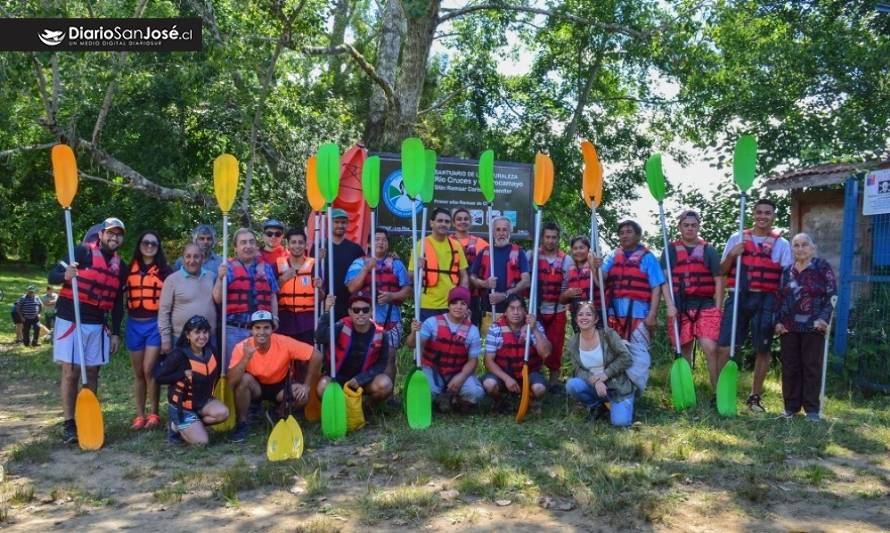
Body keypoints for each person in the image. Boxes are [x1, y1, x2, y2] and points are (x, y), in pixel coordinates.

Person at [48, 217, 128, 444]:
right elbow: (51, 276)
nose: (114, 237)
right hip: (71, 319)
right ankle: (68, 424)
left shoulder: (120, 266)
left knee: (92, 372)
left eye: (119, 234)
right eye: (110, 232)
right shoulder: (80, 253)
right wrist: (65, 275)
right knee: (71, 372)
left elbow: (117, 303)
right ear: (101, 234)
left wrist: (115, 332)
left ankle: (87, 418)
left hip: (97, 324)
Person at [717, 198, 792, 412]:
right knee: (726, 345)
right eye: (759, 212)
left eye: (767, 213)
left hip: (766, 299)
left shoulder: (782, 244)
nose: (763, 216)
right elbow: (721, 271)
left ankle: (754, 397)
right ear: (753, 214)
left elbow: (786, 279)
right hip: (739, 296)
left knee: (763, 348)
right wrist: (732, 254)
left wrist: (782, 311)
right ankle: (722, 393)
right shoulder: (737, 238)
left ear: (773, 217)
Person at [594, 220, 674, 394]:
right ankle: (616, 389)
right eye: (622, 232)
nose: (625, 235)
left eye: (629, 232)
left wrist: (652, 314)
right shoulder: (613, 256)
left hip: (639, 315)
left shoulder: (648, 257)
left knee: (639, 355)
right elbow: (602, 279)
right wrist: (596, 266)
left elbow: (657, 286)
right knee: (614, 353)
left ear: (638, 235)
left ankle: (636, 390)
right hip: (615, 314)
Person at [227, 310, 322, 443]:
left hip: (280, 386)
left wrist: (306, 385)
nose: (262, 332)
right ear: (251, 330)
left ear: (272, 329)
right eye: (257, 328)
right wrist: (245, 358)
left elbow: (317, 355)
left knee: (302, 395)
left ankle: (278, 413)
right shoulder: (242, 347)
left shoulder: (284, 342)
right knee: (243, 380)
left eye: (266, 327)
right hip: (256, 387)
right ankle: (242, 423)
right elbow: (231, 382)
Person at [660, 210, 724, 395]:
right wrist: (669, 305)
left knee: (711, 348)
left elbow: (719, 280)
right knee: (684, 349)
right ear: (679, 227)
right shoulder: (670, 249)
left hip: (704, 304)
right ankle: (686, 393)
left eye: (693, 225)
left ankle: (716, 393)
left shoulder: (708, 250)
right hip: (680, 304)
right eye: (686, 225)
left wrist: (718, 309)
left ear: (698, 227)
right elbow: (663, 280)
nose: (690, 228)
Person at [775, 234, 837, 421]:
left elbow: (832, 295)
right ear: (792, 249)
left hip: (814, 325)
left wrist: (824, 319)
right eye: (796, 245)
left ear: (812, 248)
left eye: (804, 245)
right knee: (790, 367)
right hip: (789, 325)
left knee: (811, 366)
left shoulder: (821, 267)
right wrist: (778, 322)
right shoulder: (786, 271)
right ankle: (791, 408)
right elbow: (778, 298)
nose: (800, 248)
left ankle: (812, 410)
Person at [345, 227, 411, 381]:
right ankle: (363, 391)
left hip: (390, 319)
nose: (380, 242)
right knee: (364, 356)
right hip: (364, 319)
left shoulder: (396, 264)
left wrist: (391, 296)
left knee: (390, 356)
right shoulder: (358, 263)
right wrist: (367, 268)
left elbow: (407, 290)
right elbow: (351, 288)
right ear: (369, 244)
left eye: (384, 239)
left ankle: (387, 396)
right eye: (377, 239)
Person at [154, 315, 229, 445]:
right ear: (188, 335)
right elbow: (158, 378)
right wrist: (181, 374)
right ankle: (175, 426)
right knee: (202, 442)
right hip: (182, 407)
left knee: (223, 413)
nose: (202, 336)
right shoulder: (179, 354)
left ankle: (190, 424)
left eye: (205, 332)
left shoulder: (212, 352)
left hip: (203, 402)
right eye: (197, 332)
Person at [407, 287, 485, 412]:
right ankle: (434, 400)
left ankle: (456, 401)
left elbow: (472, 360)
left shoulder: (473, 330)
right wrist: (413, 333)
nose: (458, 307)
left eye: (463, 303)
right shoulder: (431, 323)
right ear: (448, 305)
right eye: (454, 303)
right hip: (432, 369)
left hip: (457, 371)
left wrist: (462, 376)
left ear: (467, 308)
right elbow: (411, 344)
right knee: (428, 392)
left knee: (475, 393)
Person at [125, 230, 172, 430]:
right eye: (146, 242)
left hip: (154, 324)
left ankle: (154, 413)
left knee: (149, 369)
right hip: (134, 324)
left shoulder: (165, 271)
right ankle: (139, 414)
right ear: (140, 244)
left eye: (154, 243)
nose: (150, 246)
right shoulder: (129, 269)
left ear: (158, 247)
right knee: (138, 373)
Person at [212, 228, 279, 364]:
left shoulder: (266, 268)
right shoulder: (227, 268)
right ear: (236, 248)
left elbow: (272, 296)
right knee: (234, 371)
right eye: (243, 243)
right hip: (234, 330)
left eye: (251, 242)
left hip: (261, 331)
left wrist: (275, 318)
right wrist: (220, 278)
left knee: (261, 370)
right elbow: (217, 299)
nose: (248, 246)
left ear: (255, 245)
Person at [565, 302, 636, 426]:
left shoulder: (608, 335)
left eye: (588, 314)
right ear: (576, 320)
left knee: (620, 423)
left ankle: (622, 404)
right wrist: (597, 381)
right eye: (580, 315)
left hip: (617, 387)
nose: (584, 317)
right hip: (595, 386)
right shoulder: (573, 342)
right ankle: (597, 406)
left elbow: (626, 358)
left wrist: (605, 375)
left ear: (596, 319)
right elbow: (578, 370)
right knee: (572, 385)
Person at [315, 293, 393, 404]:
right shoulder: (341, 325)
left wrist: (361, 379)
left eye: (365, 310)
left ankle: (364, 407)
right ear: (350, 312)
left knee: (385, 384)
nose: (360, 313)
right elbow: (320, 338)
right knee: (322, 387)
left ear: (371, 311)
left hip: (364, 380)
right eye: (356, 310)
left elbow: (381, 364)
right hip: (338, 378)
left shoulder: (381, 334)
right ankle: (340, 408)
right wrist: (326, 311)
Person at [482, 294, 552, 406]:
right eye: (512, 308)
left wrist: (534, 330)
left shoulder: (534, 326)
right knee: (489, 384)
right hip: (504, 374)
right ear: (505, 312)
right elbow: (488, 361)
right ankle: (501, 401)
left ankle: (529, 400)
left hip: (529, 374)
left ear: (525, 311)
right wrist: (507, 379)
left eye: (520, 308)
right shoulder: (496, 328)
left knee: (539, 389)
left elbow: (546, 353)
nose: (516, 312)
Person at [409, 208, 469, 321]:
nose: (443, 224)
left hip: (452, 305)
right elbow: (410, 276)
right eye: (440, 221)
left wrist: (463, 299)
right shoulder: (420, 245)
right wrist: (418, 267)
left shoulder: (456, 245)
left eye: (447, 222)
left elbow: (464, 275)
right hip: (427, 304)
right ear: (431, 223)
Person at [158, 243, 218, 353]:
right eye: (188, 256)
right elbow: (163, 311)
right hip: (181, 338)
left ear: (202, 258)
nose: (192, 260)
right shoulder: (172, 280)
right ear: (183, 258)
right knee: (182, 370)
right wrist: (165, 339)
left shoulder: (212, 277)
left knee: (209, 369)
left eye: (196, 256)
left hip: (208, 338)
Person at [470, 217, 530, 323]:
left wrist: (505, 295)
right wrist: (484, 283)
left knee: (510, 339)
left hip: (512, 311)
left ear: (510, 232)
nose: (501, 233)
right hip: (488, 310)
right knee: (489, 339)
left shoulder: (519, 252)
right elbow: (472, 277)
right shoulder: (484, 252)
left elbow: (526, 281)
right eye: (498, 230)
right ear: (493, 232)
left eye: (504, 229)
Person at [531, 222, 568, 389]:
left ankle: (553, 382)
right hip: (536, 307)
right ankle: (535, 377)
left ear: (558, 239)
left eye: (554, 237)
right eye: (547, 237)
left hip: (557, 309)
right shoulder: (532, 255)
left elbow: (567, 284)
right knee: (534, 343)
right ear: (542, 238)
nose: (551, 241)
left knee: (556, 345)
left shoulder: (566, 260)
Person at [276, 227, 322, 346]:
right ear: (288, 245)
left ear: (306, 245)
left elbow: (321, 297)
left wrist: (319, 288)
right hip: (284, 320)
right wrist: (282, 279)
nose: (297, 246)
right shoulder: (276, 266)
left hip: (308, 322)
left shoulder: (315, 266)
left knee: (307, 359)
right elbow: (270, 293)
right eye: (294, 242)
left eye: (300, 242)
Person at [325, 208, 365, 321]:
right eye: (336, 222)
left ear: (347, 224)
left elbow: (368, 265)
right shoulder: (320, 247)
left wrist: (390, 256)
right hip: (326, 303)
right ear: (330, 223)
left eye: (343, 222)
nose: (340, 225)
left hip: (349, 305)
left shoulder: (355, 249)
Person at [451, 207, 489, 326]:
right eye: (459, 219)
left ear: (471, 222)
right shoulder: (447, 241)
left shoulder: (481, 243)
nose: (463, 221)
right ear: (453, 222)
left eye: (466, 219)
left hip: (474, 295)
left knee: (472, 328)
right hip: (451, 293)